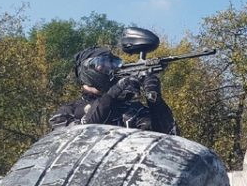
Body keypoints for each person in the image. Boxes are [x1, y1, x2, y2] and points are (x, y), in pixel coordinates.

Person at [48, 46, 178, 134]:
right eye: (103, 64)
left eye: (113, 64)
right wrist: (111, 95)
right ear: (87, 69)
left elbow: (168, 138)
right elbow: (80, 135)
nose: (111, 69)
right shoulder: (66, 113)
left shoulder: (133, 112)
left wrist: (155, 100)